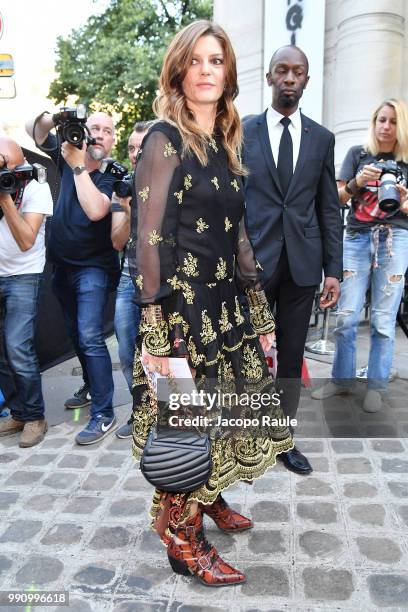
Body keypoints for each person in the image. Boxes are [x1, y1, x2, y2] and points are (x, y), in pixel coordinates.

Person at [128, 20, 292, 587]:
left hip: (224, 307)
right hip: (179, 315)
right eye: (195, 60)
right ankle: (182, 537)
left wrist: (257, 308)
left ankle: (211, 492)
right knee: (183, 424)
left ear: (228, 73)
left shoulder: (226, 142)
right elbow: (148, 239)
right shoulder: (162, 140)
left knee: (219, 416)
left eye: (216, 61)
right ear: (179, 69)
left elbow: (238, 229)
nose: (205, 70)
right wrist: (157, 327)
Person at [242, 45, 343, 475]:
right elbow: (232, 202)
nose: (289, 78)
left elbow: (327, 208)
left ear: (306, 81)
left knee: (290, 354)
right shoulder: (242, 131)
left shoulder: (321, 138)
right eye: (281, 71)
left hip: (303, 263)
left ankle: (282, 438)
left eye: (296, 72)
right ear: (268, 78)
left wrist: (333, 270)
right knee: (243, 349)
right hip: (254, 263)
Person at [25, 111, 120, 445]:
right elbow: (33, 129)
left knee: (91, 335)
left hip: (93, 269)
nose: (99, 134)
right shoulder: (66, 153)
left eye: (107, 131)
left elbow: (96, 210)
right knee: (76, 336)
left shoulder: (112, 176)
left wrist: (79, 165)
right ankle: (92, 386)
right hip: (61, 266)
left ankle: (104, 413)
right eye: (94, 127)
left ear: (111, 141)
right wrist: (55, 118)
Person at [312, 99, 408, 411]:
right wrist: (359, 181)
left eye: (393, 121)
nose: (385, 126)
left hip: (395, 240)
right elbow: (336, 196)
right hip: (355, 238)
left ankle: (376, 386)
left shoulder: (406, 163)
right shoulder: (358, 154)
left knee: (382, 319)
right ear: (373, 121)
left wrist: (403, 203)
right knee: (347, 315)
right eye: (381, 119)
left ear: (401, 125)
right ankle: (341, 381)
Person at [0, 136, 53, 447]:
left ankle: (35, 416)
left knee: (18, 346)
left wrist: (6, 198)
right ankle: (19, 411)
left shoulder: (34, 186)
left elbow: (25, 241)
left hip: (23, 276)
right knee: (3, 352)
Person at [111, 121, 153, 439]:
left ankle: (167, 418)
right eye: (131, 148)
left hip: (162, 279)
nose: (136, 154)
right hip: (129, 275)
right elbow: (116, 241)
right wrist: (127, 210)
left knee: (165, 352)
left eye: (143, 147)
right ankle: (141, 411)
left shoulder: (170, 181)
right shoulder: (123, 186)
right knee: (127, 351)